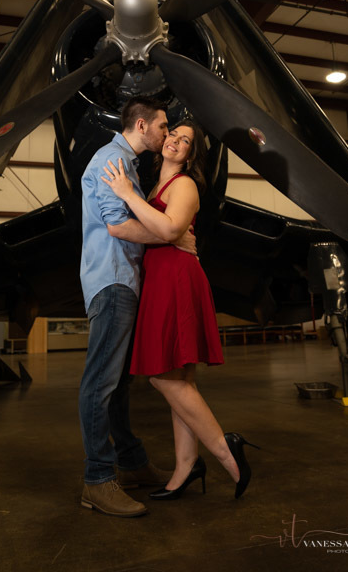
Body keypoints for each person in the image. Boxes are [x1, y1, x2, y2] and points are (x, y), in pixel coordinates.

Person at [102, 120, 256, 501]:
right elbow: (166, 230)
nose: (175, 140)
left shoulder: (184, 185)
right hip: (161, 274)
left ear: (191, 154)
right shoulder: (155, 183)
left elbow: (170, 231)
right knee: (179, 380)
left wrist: (126, 195)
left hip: (175, 278)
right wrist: (165, 228)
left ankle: (225, 449)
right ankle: (186, 468)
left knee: (161, 376)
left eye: (185, 141)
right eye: (173, 134)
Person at [78, 97, 197, 518]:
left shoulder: (127, 164)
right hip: (112, 280)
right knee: (100, 384)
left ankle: (130, 463)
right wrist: (170, 236)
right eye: (164, 127)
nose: (168, 134)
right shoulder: (112, 159)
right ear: (142, 125)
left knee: (120, 385)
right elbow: (116, 224)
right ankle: (97, 480)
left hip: (124, 279)